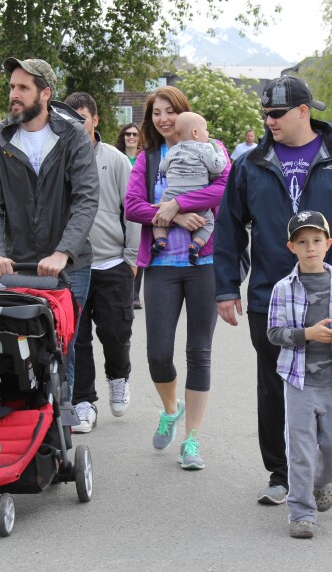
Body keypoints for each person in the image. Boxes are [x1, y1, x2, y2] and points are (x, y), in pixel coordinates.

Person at [214, 75, 332, 505]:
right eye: (265, 114)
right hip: (271, 297)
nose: (269, 121)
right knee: (275, 384)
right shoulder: (251, 164)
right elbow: (229, 227)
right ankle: (281, 472)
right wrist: (226, 286)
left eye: (277, 114)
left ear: (303, 112)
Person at [0, 57, 99, 404]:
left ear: (45, 93)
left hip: (70, 265)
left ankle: (61, 425)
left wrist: (63, 251)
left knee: (62, 342)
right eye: (12, 86)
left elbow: (87, 199)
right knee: (17, 343)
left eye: (23, 88)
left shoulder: (72, 136)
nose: (14, 94)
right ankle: (21, 416)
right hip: (17, 264)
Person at [124, 86, 231, 470]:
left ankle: (191, 440)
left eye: (170, 111)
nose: (164, 118)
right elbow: (133, 206)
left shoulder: (211, 146)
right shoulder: (149, 158)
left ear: (183, 113)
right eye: (156, 113)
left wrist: (180, 202)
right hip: (161, 266)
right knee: (157, 356)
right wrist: (172, 214)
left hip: (204, 264)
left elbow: (224, 187)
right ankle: (171, 409)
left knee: (199, 353)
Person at [267, 211, 332, 539]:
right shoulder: (283, 288)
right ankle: (301, 512)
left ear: (328, 244)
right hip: (298, 383)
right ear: (291, 246)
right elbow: (274, 332)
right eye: (303, 242)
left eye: (317, 241)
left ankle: (321, 484)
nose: (311, 247)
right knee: (301, 450)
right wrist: (307, 334)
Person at [63, 92, 140, 433]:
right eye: (69, 119)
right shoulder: (58, 160)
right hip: (73, 265)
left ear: (95, 121)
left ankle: (119, 376)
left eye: (81, 118)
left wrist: (132, 258)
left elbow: (133, 211)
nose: (75, 125)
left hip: (113, 262)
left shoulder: (116, 160)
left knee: (115, 331)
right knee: (75, 336)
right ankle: (83, 402)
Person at [152, 112, 227, 265]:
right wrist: (218, 151)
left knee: (159, 217)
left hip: (171, 195)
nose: (207, 134)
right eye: (205, 130)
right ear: (195, 132)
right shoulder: (206, 148)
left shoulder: (172, 150)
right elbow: (217, 167)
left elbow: (162, 168)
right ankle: (196, 244)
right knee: (208, 221)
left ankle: (160, 239)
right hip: (196, 195)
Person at [116, 122, 144, 308]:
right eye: (127, 134)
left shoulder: (144, 159)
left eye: (134, 134)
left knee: (137, 249)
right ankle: (122, 290)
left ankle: (134, 294)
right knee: (120, 249)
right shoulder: (117, 158)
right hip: (119, 209)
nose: (131, 137)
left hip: (138, 209)